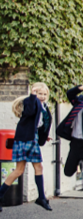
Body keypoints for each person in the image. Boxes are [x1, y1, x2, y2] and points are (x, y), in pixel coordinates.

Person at [0, 83, 53, 212]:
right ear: (34, 93)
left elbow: (39, 124)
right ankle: (41, 197)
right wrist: (32, 96)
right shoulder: (31, 102)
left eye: (44, 94)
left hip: (31, 138)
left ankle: (41, 197)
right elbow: (28, 112)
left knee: (31, 168)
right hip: (25, 139)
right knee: (22, 170)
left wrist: (43, 136)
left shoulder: (45, 107)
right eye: (40, 93)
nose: (42, 96)